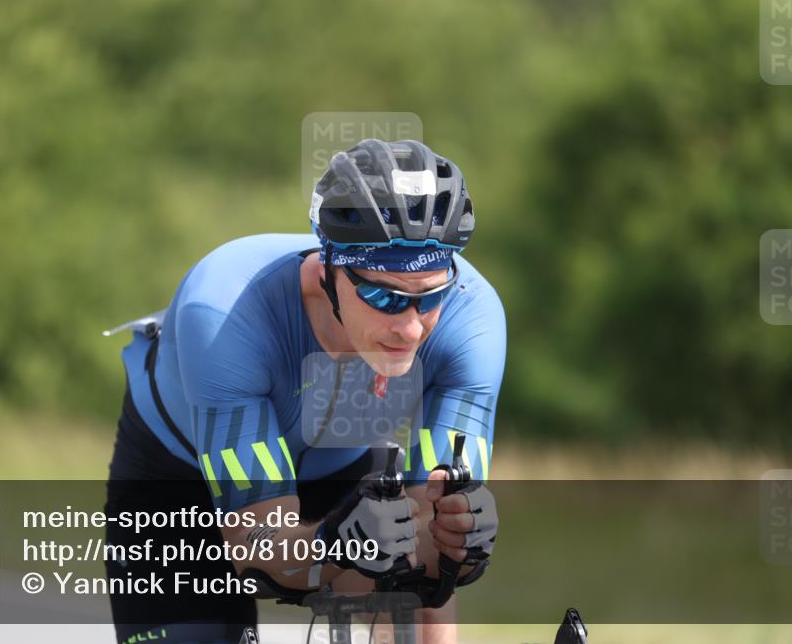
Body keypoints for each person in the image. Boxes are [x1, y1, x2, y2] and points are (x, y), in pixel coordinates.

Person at [105, 139, 506, 644]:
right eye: (384, 296)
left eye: (431, 296)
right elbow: (259, 549)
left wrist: (457, 543)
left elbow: (432, 558)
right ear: (327, 270)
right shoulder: (224, 315)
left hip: (341, 463)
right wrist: (334, 546)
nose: (410, 328)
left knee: (414, 587)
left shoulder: (474, 320)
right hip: (177, 474)